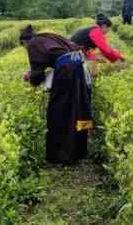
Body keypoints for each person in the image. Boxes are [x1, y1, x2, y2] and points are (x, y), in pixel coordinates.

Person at [20, 25, 93, 165]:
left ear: (25, 42)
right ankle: (80, 152)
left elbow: (38, 74)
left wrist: (30, 78)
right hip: (78, 68)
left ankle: (62, 156)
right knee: (79, 109)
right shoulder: (47, 36)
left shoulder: (33, 44)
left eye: (24, 47)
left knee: (59, 113)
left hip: (67, 72)